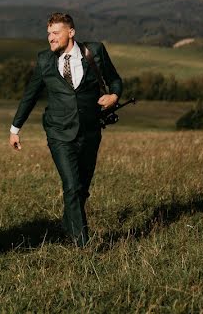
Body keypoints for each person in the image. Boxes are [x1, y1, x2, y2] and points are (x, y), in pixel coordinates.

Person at [9, 12, 123, 247]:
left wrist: (113, 96)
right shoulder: (44, 60)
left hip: (90, 131)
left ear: (71, 33)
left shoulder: (95, 51)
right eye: (48, 33)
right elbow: (30, 96)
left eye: (55, 33)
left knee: (81, 190)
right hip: (59, 133)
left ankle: (67, 227)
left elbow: (115, 79)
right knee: (71, 186)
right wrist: (15, 128)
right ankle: (83, 243)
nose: (50, 38)